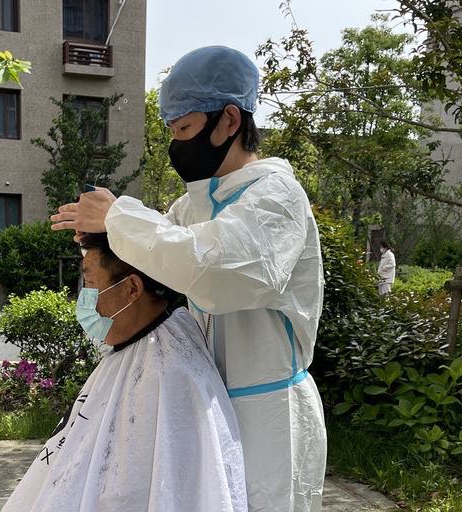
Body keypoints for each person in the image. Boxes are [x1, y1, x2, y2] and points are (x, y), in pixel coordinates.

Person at [51, 45, 326, 512]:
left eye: (184, 129)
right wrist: (104, 238)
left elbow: (215, 274)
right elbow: (157, 260)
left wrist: (118, 217)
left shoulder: (277, 197)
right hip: (204, 402)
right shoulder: (193, 205)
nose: (176, 144)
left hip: (268, 416)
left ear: (229, 120)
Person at [1, 233, 247, 512]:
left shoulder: (170, 373)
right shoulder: (144, 342)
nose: (85, 300)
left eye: (90, 284)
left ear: (132, 288)